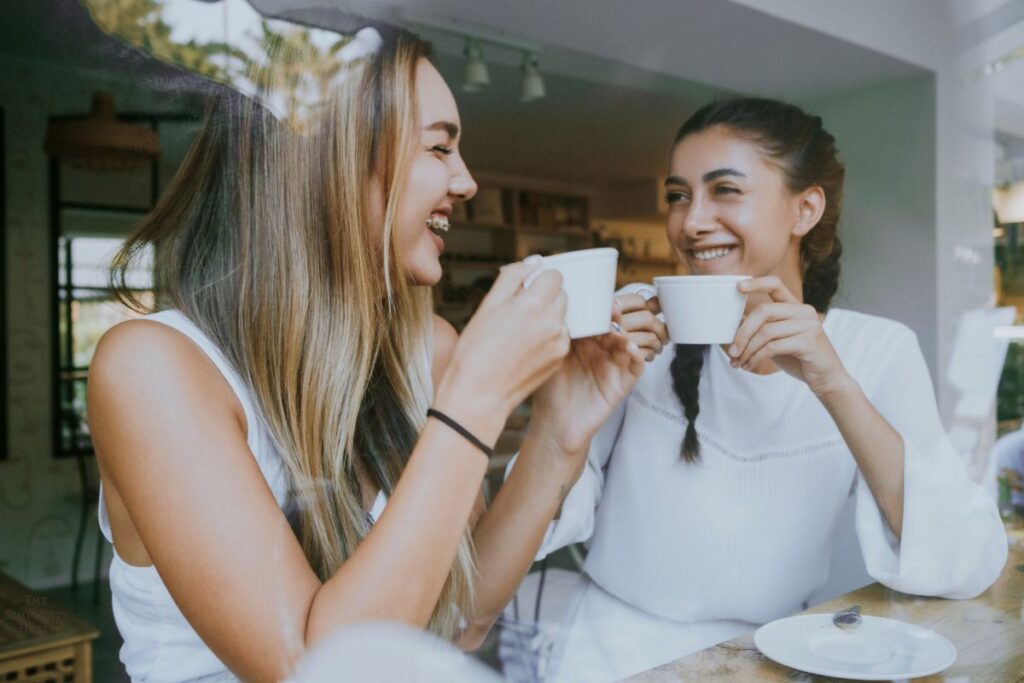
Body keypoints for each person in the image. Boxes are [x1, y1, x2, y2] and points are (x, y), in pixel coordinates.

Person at [87, 12, 644, 682]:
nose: (466, 181)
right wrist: (477, 396)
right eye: (439, 149)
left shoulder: (426, 350)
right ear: (333, 156)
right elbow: (311, 668)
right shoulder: (154, 368)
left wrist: (559, 426)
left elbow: (459, 621)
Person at [519, 97, 1008, 683]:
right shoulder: (636, 340)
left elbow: (967, 559)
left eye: (724, 190)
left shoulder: (876, 350)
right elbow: (539, 524)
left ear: (805, 209)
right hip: (608, 658)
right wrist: (565, 393)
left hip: (771, 665)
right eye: (678, 195)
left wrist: (834, 384)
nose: (691, 221)